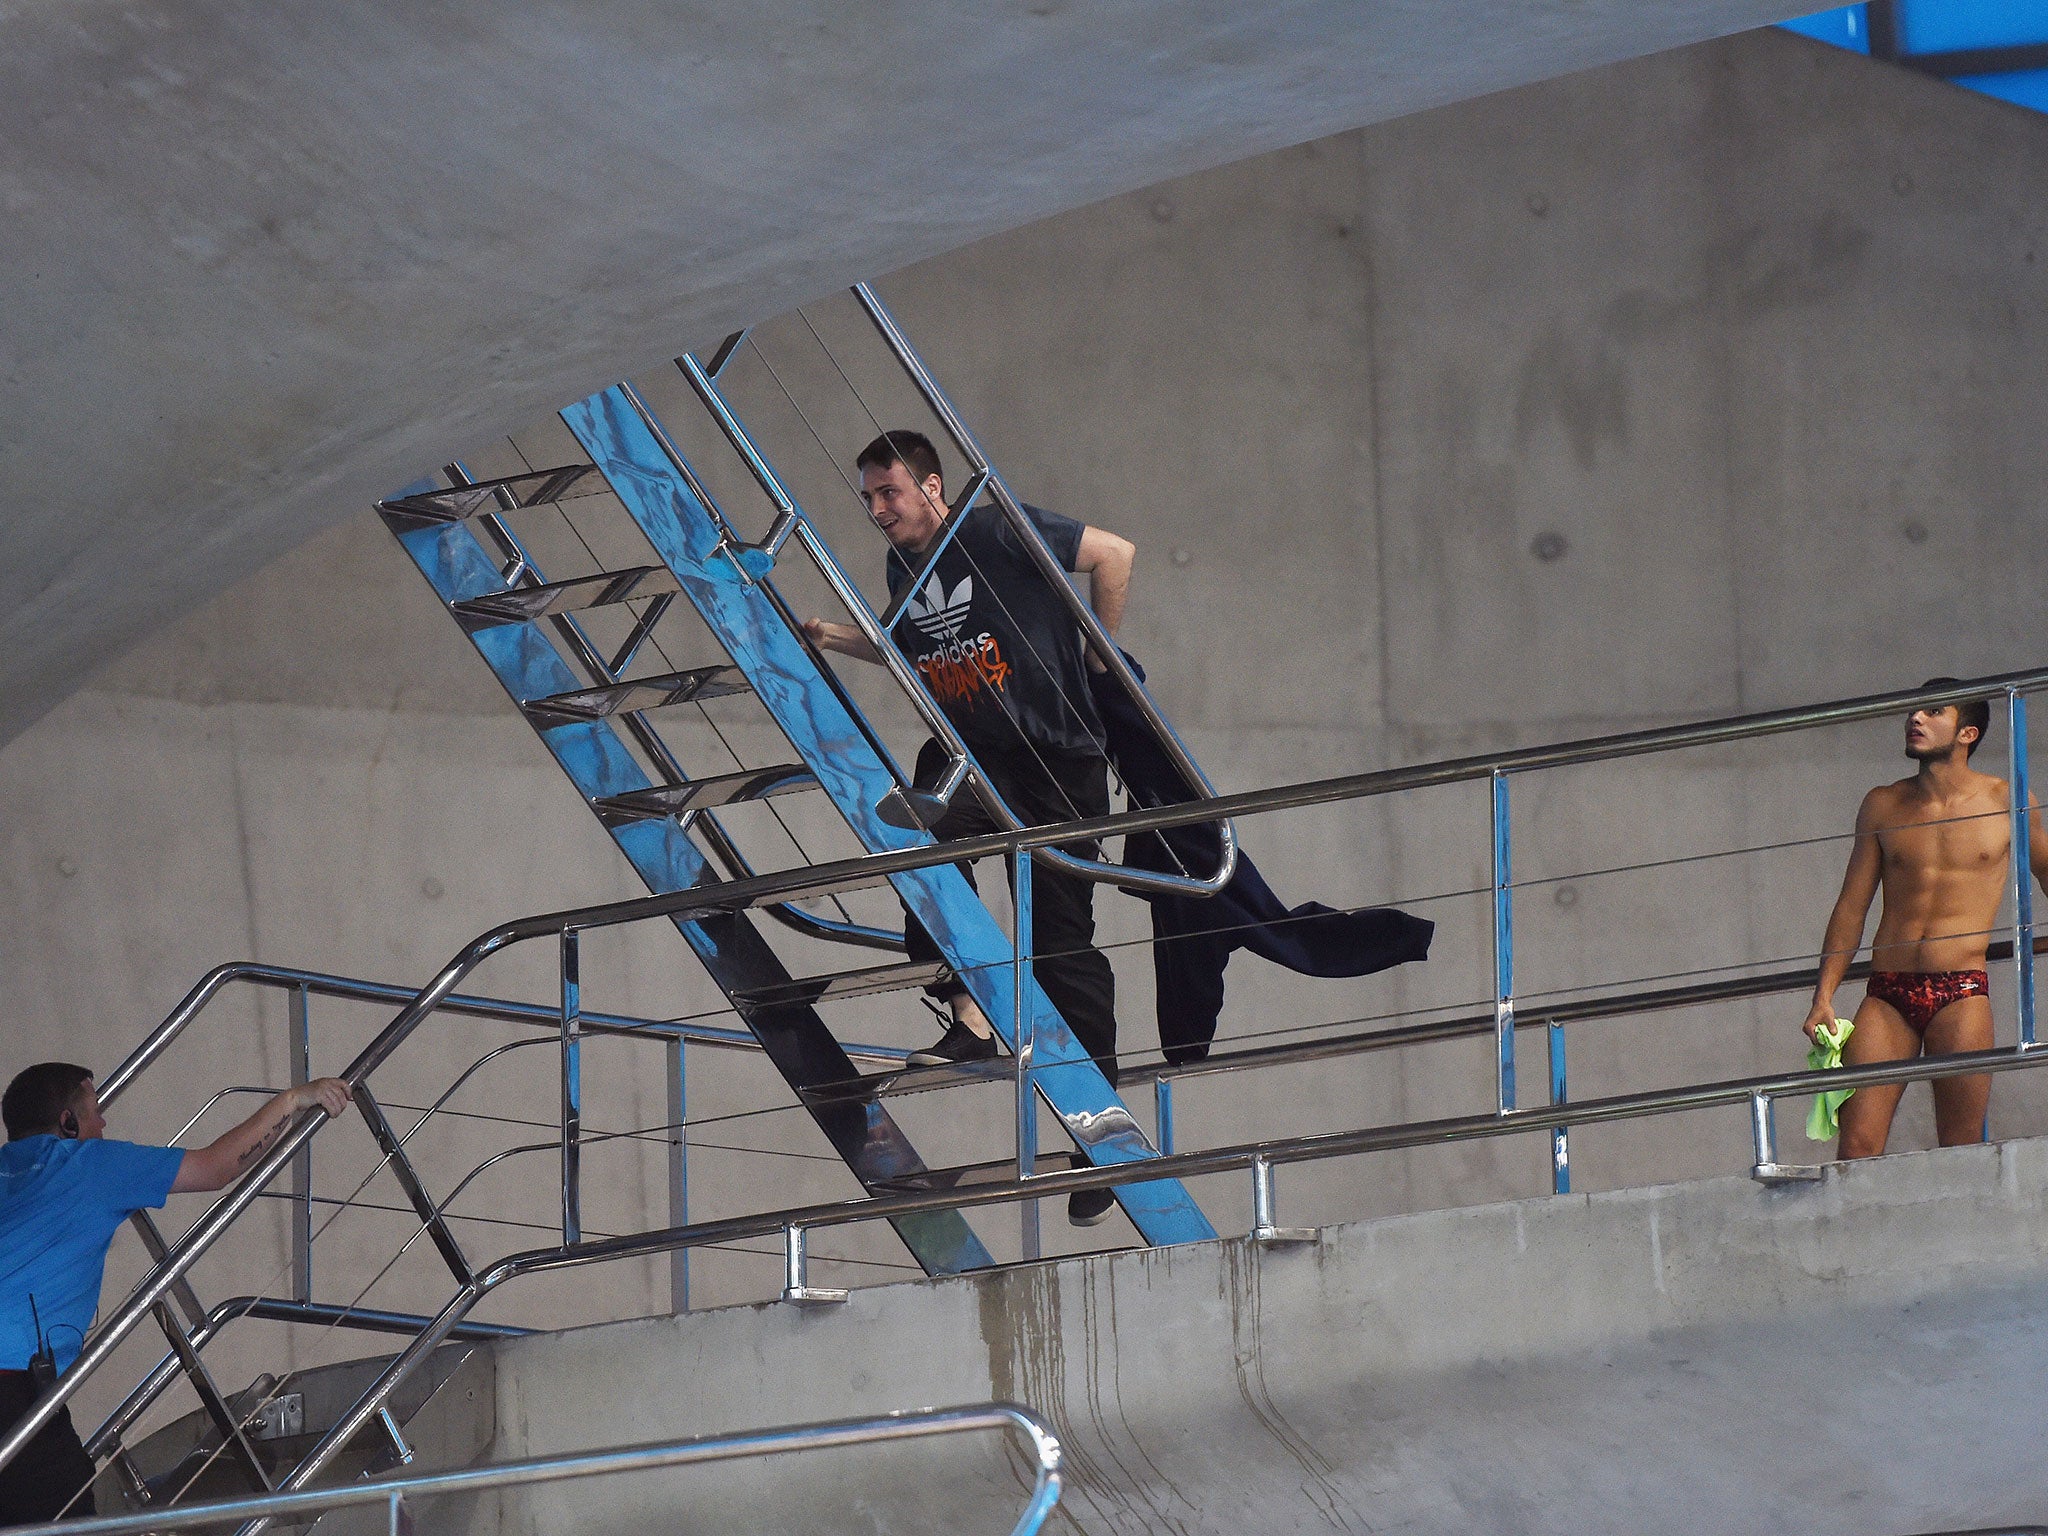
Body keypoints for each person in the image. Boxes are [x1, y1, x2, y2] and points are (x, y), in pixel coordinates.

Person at [804, 429, 1134, 1225]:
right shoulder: (903, 568)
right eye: (870, 498)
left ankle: (1102, 1141)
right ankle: (969, 1014)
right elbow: (907, 651)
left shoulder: (987, 530)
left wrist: (1102, 658)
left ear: (932, 487)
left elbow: (1115, 553)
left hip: (1058, 762)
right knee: (918, 838)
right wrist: (831, 638)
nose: (879, 510)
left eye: (890, 492)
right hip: (977, 759)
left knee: (1061, 946)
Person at [0, 1062, 352, 1525]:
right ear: (68, 1122)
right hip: (12, 1385)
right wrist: (293, 1100)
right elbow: (217, 1167)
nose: (103, 1123)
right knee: (62, 1514)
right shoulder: (88, 1165)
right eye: (95, 1111)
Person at [1801, 682, 2048, 1159]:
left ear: (1966, 733)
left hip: (1962, 993)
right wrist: (1824, 995)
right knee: (1856, 1149)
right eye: (1914, 709)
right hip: (1887, 992)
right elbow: (1852, 906)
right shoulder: (1882, 804)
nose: (1915, 717)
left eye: (1934, 711)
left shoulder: (2007, 799)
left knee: (1960, 1151)